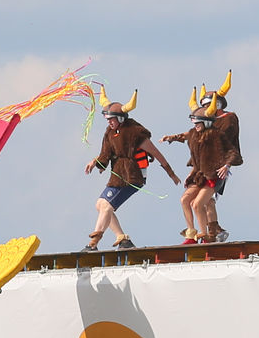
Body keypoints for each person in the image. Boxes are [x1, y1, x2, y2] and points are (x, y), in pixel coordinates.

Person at [82, 87, 180, 251]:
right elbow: (105, 154)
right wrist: (95, 162)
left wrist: (172, 174)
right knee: (100, 205)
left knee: (106, 206)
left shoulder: (135, 133)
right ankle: (123, 240)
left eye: (112, 119)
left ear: (121, 118)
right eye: (107, 119)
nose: (109, 122)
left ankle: (93, 243)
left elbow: (157, 154)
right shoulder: (110, 132)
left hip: (132, 176)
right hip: (118, 175)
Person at [161, 90, 241, 243]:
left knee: (200, 203)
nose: (196, 125)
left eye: (199, 122)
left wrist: (226, 165)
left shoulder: (222, 129)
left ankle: (207, 233)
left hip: (215, 173)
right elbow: (187, 135)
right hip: (200, 173)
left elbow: (232, 152)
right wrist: (173, 137)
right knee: (187, 200)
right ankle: (195, 232)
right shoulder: (195, 133)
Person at [198, 70, 241, 242]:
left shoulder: (229, 119)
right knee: (206, 200)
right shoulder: (208, 121)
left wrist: (226, 164)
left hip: (221, 164)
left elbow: (226, 144)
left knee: (205, 199)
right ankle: (215, 231)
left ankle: (212, 232)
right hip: (206, 165)